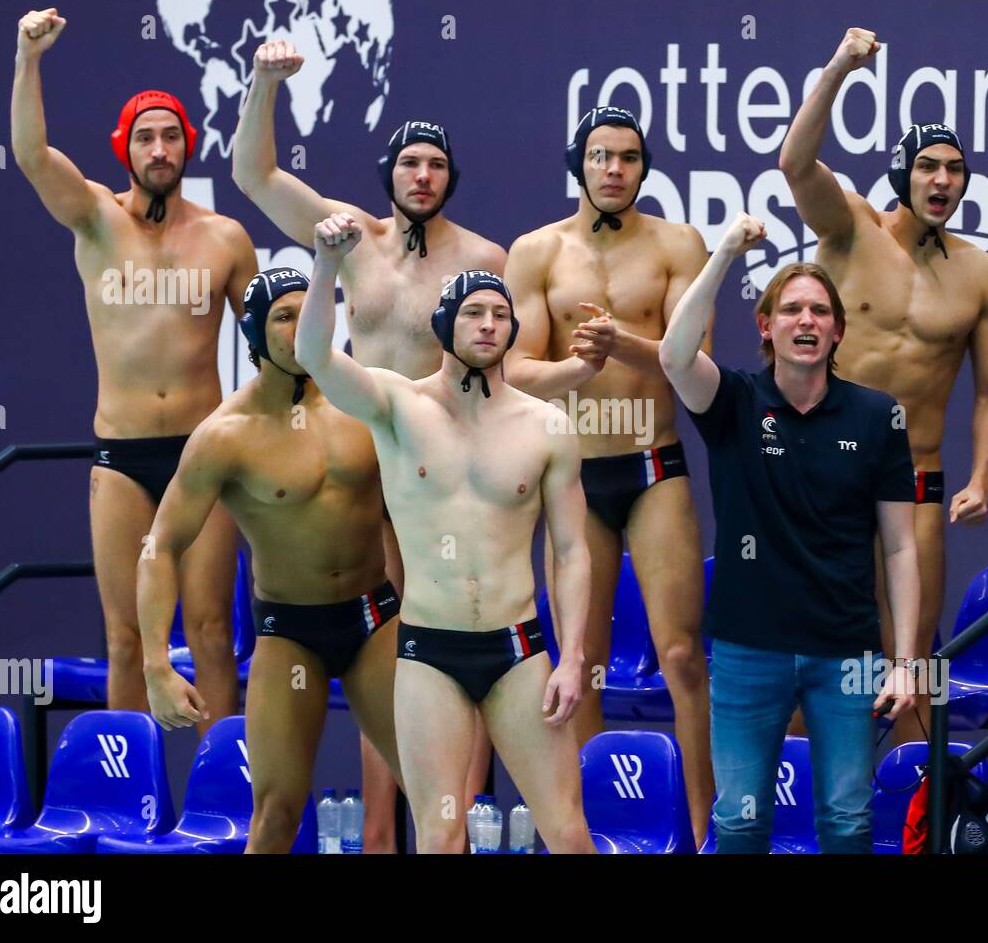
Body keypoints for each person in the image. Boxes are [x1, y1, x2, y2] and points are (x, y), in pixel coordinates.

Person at [232, 40, 506, 848]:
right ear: (389, 173)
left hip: (440, 475)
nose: (422, 176)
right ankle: (382, 835)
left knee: (454, 645)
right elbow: (255, 176)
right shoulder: (351, 239)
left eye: (435, 165)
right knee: (381, 655)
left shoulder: (485, 259)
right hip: (362, 471)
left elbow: (504, 371)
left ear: (450, 178)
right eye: (409, 163)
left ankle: (460, 824)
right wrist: (263, 86)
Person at [295, 213, 595, 854]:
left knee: (568, 833)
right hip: (430, 653)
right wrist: (325, 264)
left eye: (499, 315)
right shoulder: (397, 407)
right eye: (472, 314)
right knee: (440, 834)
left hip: (519, 649)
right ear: (443, 327)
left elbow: (569, 550)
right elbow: (314, 355)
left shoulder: (546, 426)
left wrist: (572, 659)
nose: (489, 325)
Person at [11, 7, 255, 731]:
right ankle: (125, 806)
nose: (158, 147)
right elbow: (29, 154)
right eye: (145, 136)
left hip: (202, 456)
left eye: (170, 135)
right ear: (126, 148)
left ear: (188, 146)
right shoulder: (95, 218)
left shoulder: (225, 239)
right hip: (120, 458)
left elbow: (277, 347)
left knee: (211, 632)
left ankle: (229, 804)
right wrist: (28, 59)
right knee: (124, 640)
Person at [660, 212, 919, 853]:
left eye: (820, 312)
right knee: (742, 823)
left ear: (837, 332)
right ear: (767, 327)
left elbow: (901, 546)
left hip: (849, 653)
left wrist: (907, 661)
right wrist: (723, 252)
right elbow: (673, 354)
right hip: (750, 651)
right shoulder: (733, 402)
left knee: (848, 822)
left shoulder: (878, 415)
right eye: (792, 310)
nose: (807, 321)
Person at [779, 27, 988, 743]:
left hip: (918, 478)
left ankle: (908, 830)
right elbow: (794, 160)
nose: (943, 181)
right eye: (930, 167)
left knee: (911, 667)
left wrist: (984, 478)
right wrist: (843, 66)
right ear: (903, 172)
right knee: (808, 664)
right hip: (830, 471)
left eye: (956, 170)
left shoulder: (981, 272)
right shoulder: (849, 228)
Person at [139, 267, 403, 854]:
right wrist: (156, 664)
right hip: (291, 632)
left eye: (310, 313)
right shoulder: (225, 435)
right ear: (255, 334)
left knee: (436, 795)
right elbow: (160, 547)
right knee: (277, 812)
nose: (301, 327)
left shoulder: (365, 399)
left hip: (375, 619)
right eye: (284, 317)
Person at [504, 107, 714, 842]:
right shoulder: (535, 252)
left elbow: (695, 368)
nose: (614, 169)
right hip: (576, 476)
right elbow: (513, 373)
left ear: (643, 167)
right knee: (580, 664)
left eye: (627, 157)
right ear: (579, 164)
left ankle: (701, 831)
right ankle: (595, 835)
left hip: (656, 466)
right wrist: (576, 365)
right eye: (600, 156)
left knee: (684, 656)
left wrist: (621, 343)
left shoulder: (679, 244)